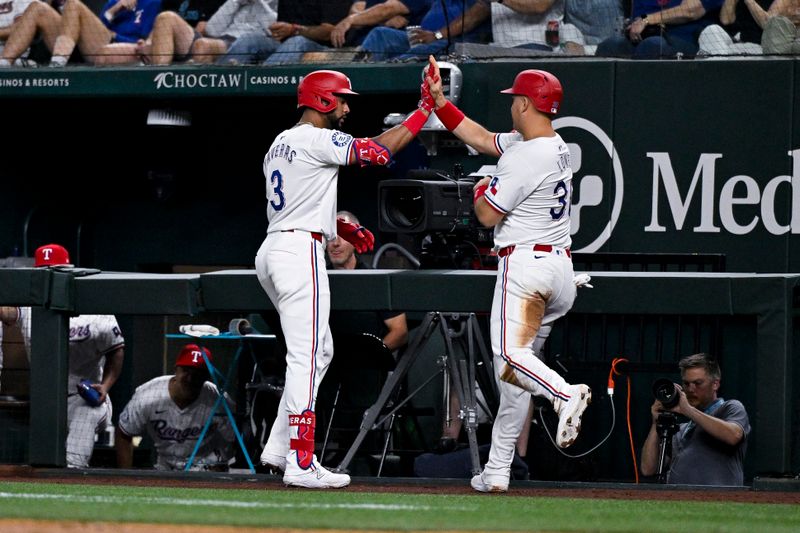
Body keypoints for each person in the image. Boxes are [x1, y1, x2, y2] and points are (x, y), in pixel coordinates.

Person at [254, 68, 433, 488]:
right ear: (322, 100)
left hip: (276, 246)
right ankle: (301, 461)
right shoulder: (315, 137)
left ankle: (279, 447)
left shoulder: (280, 141)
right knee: (307, 355)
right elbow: (378, 151)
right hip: (298, 252)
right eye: (342, 99)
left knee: (320, 352)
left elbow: (297, 198)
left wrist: (336, 226)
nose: (348, 107)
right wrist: (423, 111)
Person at [425, 57, 592, 493]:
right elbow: (481, 138)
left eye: (515, 99)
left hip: (526, 270)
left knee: (508, 355)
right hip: (559, 270)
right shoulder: (554, 145)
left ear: (523, 104)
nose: (511, 106)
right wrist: (440, 104)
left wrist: (481, 187)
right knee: (514, 378)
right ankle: (497, 469)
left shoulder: (526, 157)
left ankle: (562, 395)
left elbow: (484, 214)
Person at [9, 244, 126, 468]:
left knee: (73, 461)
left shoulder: (95, 308)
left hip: (86, 396)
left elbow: (117, 350)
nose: (51, 277)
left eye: (56, 270)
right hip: (47, 399)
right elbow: (7, 313)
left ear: (69, 271)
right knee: (42, 464)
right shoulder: (29, 304)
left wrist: (106, 385)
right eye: (45, 272)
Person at [116, 343, 236, 470]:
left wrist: (221, 464)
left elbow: (236, 439)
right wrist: (125, 476)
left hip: (205, 464)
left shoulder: (218, 400)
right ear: (176, 370)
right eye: (186, 371)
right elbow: (124, 433)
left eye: (198, 373)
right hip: (166, 464)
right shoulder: (147, 396)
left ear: (207, 377)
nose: (190, 378)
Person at [640, 353, 750, 485]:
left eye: (698, 383)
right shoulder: (681, 430)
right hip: (678, 502)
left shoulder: (730, 408)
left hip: (719, 502)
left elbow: (734, 435)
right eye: (686, 383)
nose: (691, 389)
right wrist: (655, 422)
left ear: (715, 384)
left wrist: (689, 410)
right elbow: (648, 469)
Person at [326, 210, 409, 353]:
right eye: (331, 236)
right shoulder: (316, 281)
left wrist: (365, 356)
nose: (336, 243)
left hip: (365, 367)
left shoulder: (374, 281)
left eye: (343, 236)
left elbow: (400, 332)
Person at [136, 0, 277, 65]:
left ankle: (180, 94)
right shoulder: (235, 2)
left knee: (202, 45)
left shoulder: (273, 4)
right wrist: (235, 1)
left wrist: (259, 1)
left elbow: (273, 27)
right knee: (165, 17)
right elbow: (213, 30)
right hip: (221, 39)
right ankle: (159, 77)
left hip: (243, 42)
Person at [355, 0, 490, 62]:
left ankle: (391, 67)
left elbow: (474, 18)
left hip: (453, 42)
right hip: (425, 36)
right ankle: (356, 73)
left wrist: (437, 35)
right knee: (381, 34)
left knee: (423, 50)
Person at [44, 0, 162, 66]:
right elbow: (98, 29)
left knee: (74, 4)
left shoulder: (153, 3)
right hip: (100, 44)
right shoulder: (113, 2)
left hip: (127, 49)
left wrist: (116, 36)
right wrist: (115, 9)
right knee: (72, 3)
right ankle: (57, 63)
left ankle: (58, 63)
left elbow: (144, 44)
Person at [595, 0, 725, 58]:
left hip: (685, 40)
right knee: (609, 46)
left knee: (652, 46)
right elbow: (636, 18)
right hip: (644, 38)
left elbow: (692, 10)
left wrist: (647, 19)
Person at [0, 0, 63, 67]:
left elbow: (21, 27)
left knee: (37, 7)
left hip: (16, 57)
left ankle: (4, 62)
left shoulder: (24, 2)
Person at [698, 0, 771, 54]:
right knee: (711, 30)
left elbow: (767, 24)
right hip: (731, 45)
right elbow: (726, 20)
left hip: (758, 47)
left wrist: (749, 1)